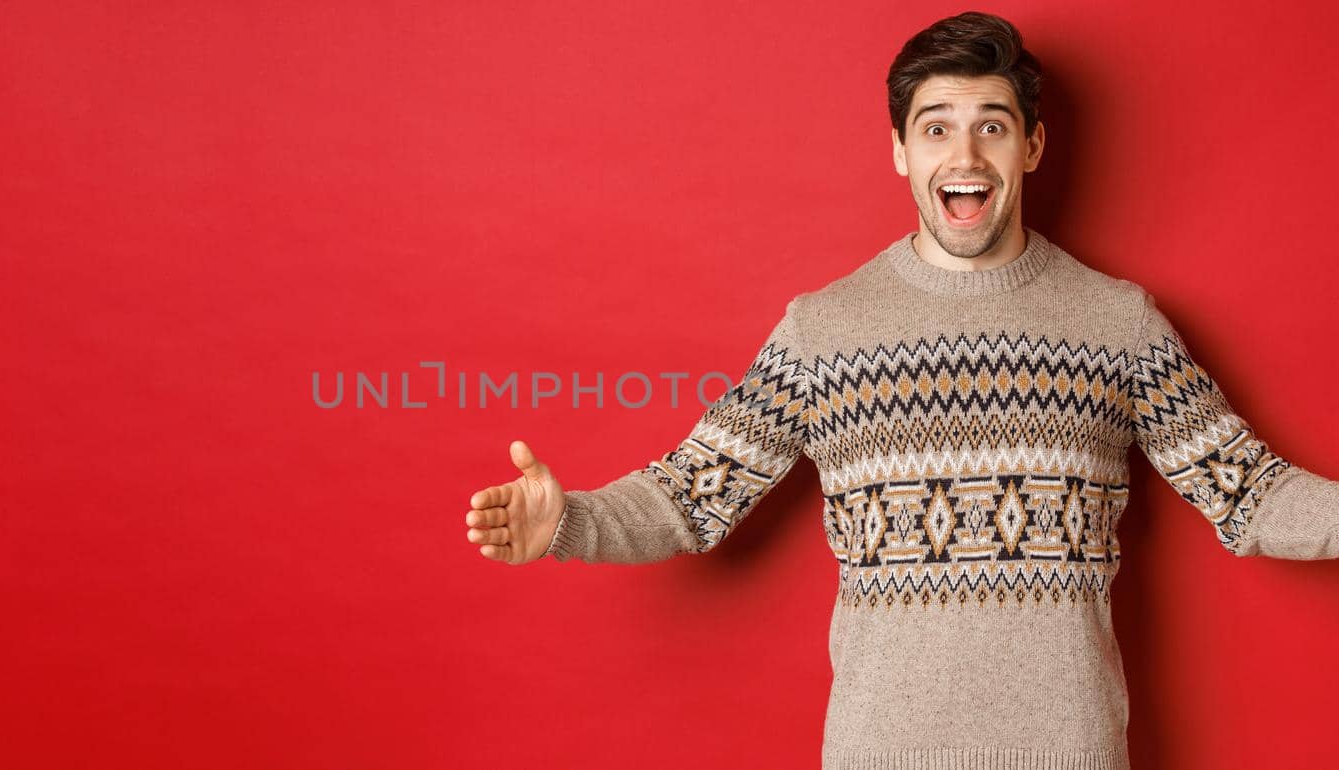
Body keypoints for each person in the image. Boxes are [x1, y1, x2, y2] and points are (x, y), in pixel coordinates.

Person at [461, 10, 1339, 770]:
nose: (966, 152)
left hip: (1071, 751)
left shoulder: (1119, 324)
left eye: (993, 126)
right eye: (936, 127)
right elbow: (693, 496)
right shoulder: (823, 330)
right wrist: (568, 522)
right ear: (899, 150)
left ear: (1031, 145)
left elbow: (1252, 496)